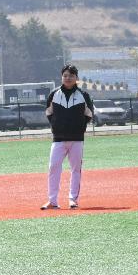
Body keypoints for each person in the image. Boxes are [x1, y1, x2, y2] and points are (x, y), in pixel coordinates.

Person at [42, 64, 95, 210]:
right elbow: (48, 113)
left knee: (75, 169)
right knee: (53, 167)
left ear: (76, 78)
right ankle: (52, 201)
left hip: (77, 139)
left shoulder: (83, 96)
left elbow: (89, 114)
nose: (68, 78)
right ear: (61, 77)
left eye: (71, 75)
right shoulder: (54, 94)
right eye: (65, 75)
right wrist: (56, 125)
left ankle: (73, 199)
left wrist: (79, 127)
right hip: (58, 139)